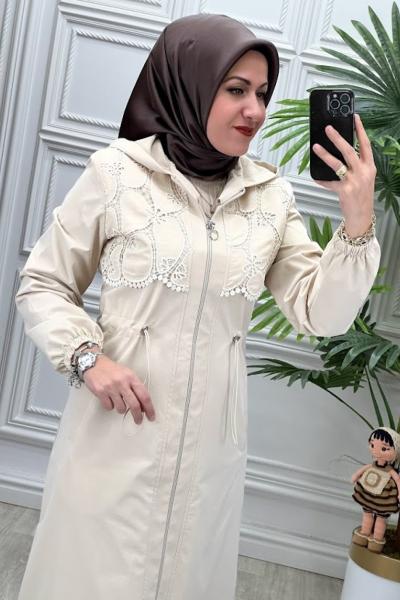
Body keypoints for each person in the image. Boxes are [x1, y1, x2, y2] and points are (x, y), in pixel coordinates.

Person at [14, 12, 380, 600]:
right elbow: (43, 283)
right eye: (235, 89)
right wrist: (87, 358)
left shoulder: (269, 197)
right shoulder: (117, 174)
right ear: (189, 84)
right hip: (114, 435)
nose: (254, 110)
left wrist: (357, 222)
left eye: (262, 93)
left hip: (211, 453)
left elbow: (321, 314)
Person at [351, 427, 400, 553]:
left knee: (381, 517)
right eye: (372, 445)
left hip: (384, 497)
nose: (376, 451)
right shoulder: (372, 465)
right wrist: (356, 476)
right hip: (368, 492)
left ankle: (376, 540)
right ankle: (364, 533)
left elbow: (397, 480)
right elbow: (363, 469)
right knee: (367, 513)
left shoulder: (390, 470)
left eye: (384, 449)